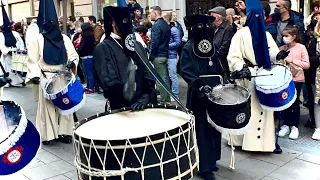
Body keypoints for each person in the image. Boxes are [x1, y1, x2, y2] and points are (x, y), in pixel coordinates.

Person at [227, 0, 280, 152]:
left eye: (261, 14)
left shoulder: (267, 34)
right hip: (247, 77)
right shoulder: (240, 34)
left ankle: (265, 143)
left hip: (265, 75)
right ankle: (243, 141)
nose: (258, 17)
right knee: (249, 110)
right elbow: (233, 56)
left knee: (266, 109)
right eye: (255, 14)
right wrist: (241, 67)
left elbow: (271, 52)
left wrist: (278, 55)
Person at [26, 0, 79, 145]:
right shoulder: (37, 40)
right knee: (47, 108)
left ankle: (65, 132)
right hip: (46, 76)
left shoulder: (64, 39)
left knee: (65, 105)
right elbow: (32, 60)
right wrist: (35, 75)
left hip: (62, 76)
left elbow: (73, 55)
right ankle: (47, 134)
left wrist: (72, 63)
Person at [180, 14, 222, 180]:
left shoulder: (212, 46)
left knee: (214, 127)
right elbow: (186, 70)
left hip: (216, 94)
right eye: (200, 26)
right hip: (199, 96)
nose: (205, 30)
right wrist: (199, 85)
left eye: (207, 26)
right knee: (202, 129)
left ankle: (212, 160)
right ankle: (203, 166)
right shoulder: (189, 47)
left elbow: (220, 66)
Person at [93, 6, 155, 111]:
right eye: (123, 21)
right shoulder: (103, 48)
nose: (126, 24)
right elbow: (108, 80)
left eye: (128, 20)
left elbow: (147, 72)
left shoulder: (137, 45)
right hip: (119, 108)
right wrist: (126, 93)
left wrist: (147, 96)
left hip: (142, 106)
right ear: (113, 23)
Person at [278, 25, 310, 140]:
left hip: (297, 79)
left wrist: (293, 61)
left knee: (295, 103)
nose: (284, 38)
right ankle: (285, 124)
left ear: (294, 36)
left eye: (287, 36)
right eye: (283, 36)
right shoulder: (283, 48)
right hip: (284, 79)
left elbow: (307, 64)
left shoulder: (301, 47)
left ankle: (295, 126)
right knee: (285, 101)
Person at [149, 6, 171, 104]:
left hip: (158, 55)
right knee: (164, 78)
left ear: (155, 13)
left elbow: (155, 42)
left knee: (161, 79)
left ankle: (165, 100)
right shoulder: (165, 24)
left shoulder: (156, 25)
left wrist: (151, 55)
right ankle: (165, 98)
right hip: (165, 54)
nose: (150, 15)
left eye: (150, 13)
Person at [0, 4, 25, 88]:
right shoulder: (1, 35)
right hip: (6, 56)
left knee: (15, 69)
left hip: (14, 55)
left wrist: (18, 50)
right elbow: (2, 47)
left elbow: (20, 42)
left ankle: (16, 81)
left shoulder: (15, 34)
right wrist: (8, 51)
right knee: (6, 69)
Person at [209, 6, 234, 79]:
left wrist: (215, 55)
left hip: (222, 63)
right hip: (213, 63)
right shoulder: (212, 28)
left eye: (212, 16)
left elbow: (226, 46)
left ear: (217, 17)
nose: (210, 18)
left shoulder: (227, 28)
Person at [163, 12, 181, 100]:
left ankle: (175, 95)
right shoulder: (166, 29)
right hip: (166, 55)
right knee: (166, 75)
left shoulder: (174, 30)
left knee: (172, 75)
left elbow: (178, 42)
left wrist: (167, 46)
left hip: (172, 56)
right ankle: (168, 93)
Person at [77, 23, 96, 94]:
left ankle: (91, 87)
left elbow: (83, 46)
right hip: (87, 56)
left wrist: (78, 51)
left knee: (89, 72)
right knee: (87, 72)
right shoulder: (90, 35)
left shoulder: (87, 37)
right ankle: (88, 86)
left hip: (87, 56)